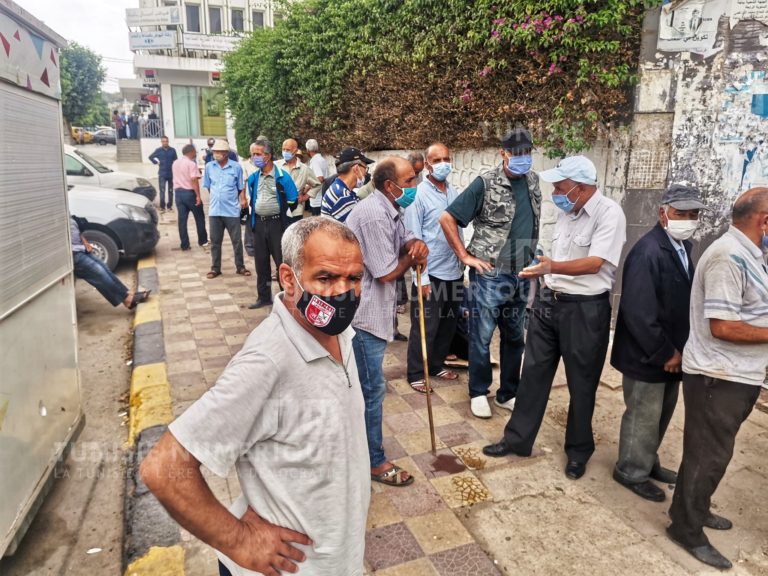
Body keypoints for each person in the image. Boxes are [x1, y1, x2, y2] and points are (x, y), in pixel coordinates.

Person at [140, 217, 371, 576]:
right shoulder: (267, 362)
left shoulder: (339, 331)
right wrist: (238, 540)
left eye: (354, 278)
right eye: (325, 278)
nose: (341, 292)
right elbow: (163, 468)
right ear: (288, 278)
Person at [482, 156, 627, 482]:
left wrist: (551, 268)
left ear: (581, 187)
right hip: (549, 303)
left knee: (582, 382)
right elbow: (553, 260)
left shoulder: (609, 214)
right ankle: (517, 439)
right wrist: (541, 269)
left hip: (585, 310)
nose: (556, 191)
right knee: (532, 373)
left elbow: (595, 263)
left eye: (561, 186)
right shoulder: (567, 213)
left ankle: (578, 452)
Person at [666, 188, 768, 570]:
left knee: (711, 454)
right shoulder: (728, 256)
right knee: (706, 456)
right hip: (717, 377)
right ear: (764, 220)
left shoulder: (749, 253)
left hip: (735, 374)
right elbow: (724, 325)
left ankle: (693, 509)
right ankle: (686, 529)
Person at [610, 184, 704, 502]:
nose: (688, 220)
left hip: (672, 353)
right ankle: (630, 470)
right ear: (663, 212)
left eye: (693, 215)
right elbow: (638, 310)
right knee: (643, 415)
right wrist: (665, 351)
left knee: (661, 414)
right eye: (681, 213)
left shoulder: (683, 247)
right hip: (649, 354)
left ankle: (647, 461)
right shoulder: (647, 250)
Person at [439, 128, 541, 419]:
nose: (523, 159)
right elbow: (447, 218)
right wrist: (465, 256)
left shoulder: (533, 181)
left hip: (522, 275)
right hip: (491, 274)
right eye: (517, 153)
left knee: (514, 337)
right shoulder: (486, 183)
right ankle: (478, 391)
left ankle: (507, 393)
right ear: (503, 153)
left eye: (527, 153)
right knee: (481, 336)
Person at [346, 156, 428, 487]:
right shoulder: (373, 216)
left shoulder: (391, 208)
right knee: (371, 389)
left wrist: (414, 244)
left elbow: (406, 234)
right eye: (410, 181)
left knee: (367, 388)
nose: (415, 186)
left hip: (375, 312)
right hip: (364, 316)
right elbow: (385, 272)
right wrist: (411, 258)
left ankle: (360, 449)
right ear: (390, 186)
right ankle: (374, 461)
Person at [404, 143, 464, 393]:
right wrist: (423, 278)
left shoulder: (454, 192)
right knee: (425, 326)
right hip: (431, 273)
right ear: (427, 164)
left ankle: (437, 364)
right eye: (437, 159)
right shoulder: (417, 195)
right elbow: (414, 239)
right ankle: (416, 372)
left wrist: (464, 260)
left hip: (455, 270)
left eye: (447, 158)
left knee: (448, 323)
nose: (443, 163)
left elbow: (459, 228)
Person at [246, 139, 298, 309]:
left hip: (277, 225)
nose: (254, 158)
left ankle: (288, 298)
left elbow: (293, 200)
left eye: (258, 154)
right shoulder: (254, 178)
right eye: (253, 154)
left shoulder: (283, 177)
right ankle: (264, 297)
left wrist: (282, 213)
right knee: (261, 263)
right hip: (259, 225)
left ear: (267, 156)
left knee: (282, 263)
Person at [70, 216, 150, 309]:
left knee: (104, 268)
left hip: (81, 248)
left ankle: (128, 294)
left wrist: (84, 241)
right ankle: (127, 299)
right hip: (73, 253)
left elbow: (72, 226)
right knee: (99, 272)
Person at [203, 139, 250, 279]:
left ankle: (240, 267)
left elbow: (240, 186)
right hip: (214, 211)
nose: (215, 154)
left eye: (218, 152)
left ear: (226, 153)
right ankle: (215, 268)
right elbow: (209, 186)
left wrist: (242, 200)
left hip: (231, 210)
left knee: (236, 241)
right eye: (214, 151)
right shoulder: (209, 167)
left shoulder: (236, 167)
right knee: (215, 242)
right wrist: (218, 198)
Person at [321, 147, 373, 223]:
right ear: (356, 168)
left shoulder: (339, 187)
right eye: (365, 167)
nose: (366, 173)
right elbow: (358, 229)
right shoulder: (342, 197)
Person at [173, 144, 209, 251]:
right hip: (189, 193)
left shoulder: (175, 163)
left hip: (178, 194)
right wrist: (198, 196)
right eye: (195, 152)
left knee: (182, 220)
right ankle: (203, 241)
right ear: (191, 152)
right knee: (199, 217)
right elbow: (193, 179)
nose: (196, 153)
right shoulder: (191, 164)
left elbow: (183, 175)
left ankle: (184, 244)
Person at [277, 138, 320, 223]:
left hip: (296, 211)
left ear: (295, 150)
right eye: (283, 149)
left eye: (288, 150)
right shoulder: (276, 166)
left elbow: (317, 184)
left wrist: (304, 197)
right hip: (277, 210)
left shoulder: (304, 169)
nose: (285, 152)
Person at [149, 136, 179, 212]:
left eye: (166, 141)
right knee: (162, 190)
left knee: (171, 191)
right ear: (161, 142)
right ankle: (162, 206)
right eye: (163, 141)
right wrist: (156, 162)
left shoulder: (172, 150)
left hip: (171, 174)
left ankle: (169, 206)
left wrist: (176, 172)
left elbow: (176, 161)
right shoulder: (158, 150)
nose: (165, 143)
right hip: (162, 173)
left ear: (168, 142)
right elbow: (150, 157)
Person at [306, 138, 330, 216]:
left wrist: (307, 188)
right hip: (323, 196)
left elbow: (320, 178)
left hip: (317, 199)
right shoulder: (322, 159)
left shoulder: (315, 161)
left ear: (308, 150)